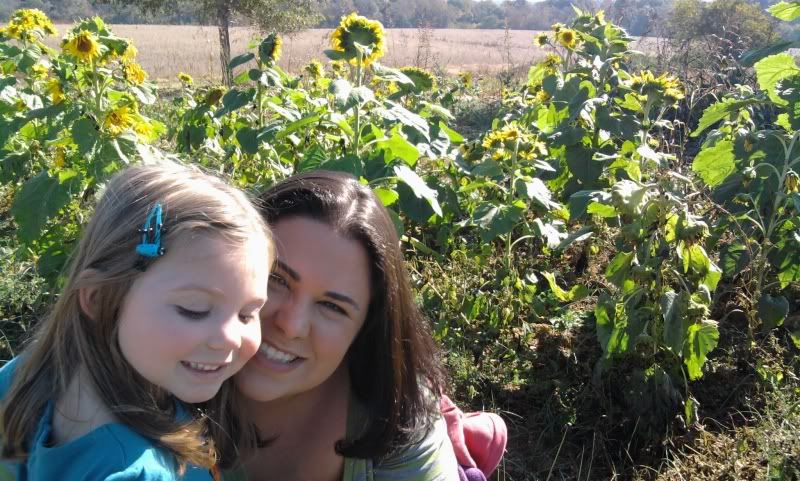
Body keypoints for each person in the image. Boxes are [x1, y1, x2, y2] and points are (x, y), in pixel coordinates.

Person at [0, 163, 273, 481]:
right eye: (194, 309)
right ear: (100, 298)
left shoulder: (28, 375)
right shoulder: (135, 472)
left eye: (247, 314)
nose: (231, 338)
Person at [226, 170, 460, 481]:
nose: (291, 325)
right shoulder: (165, 370)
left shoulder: (399, 418)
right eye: (276, 279)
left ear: (365, 329)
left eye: (332, 307)